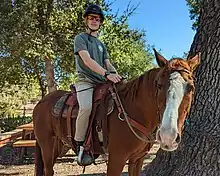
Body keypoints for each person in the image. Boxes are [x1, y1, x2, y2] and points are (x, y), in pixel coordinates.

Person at [73, 4, 122, 164]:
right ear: (86, 20)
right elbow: (87, 60)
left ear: (100, 23)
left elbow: (108, 63)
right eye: (92, 18)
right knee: (86, 107)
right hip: (85, 81)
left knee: (119, 102)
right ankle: (79, 145)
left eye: (98, 19)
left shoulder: (101, 45)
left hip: (102, 82)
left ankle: (106, 140)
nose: (95, 21)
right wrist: (107, 74)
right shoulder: (80, 38)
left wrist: (116, 74)